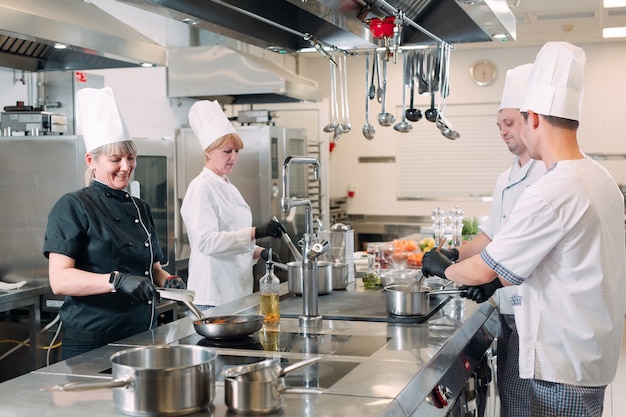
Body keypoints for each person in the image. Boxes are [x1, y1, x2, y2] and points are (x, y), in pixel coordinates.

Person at [423, 41, 626, 417]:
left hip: (561, 363)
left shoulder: (553, 189)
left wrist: (442, 266)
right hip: (586, 353)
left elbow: (484, 266)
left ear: (532, 118)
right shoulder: (599, 177)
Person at [43, 87, 185, 360]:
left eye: (130, 158)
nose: (125, 166)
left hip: (143, 333)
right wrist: (116, 281)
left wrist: (169, 281)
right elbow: (59, 280)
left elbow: (153, 269)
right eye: (115, 159)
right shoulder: (72, 206)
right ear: (91, 161)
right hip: (93, 340)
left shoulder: (140, 208)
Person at [440, 63, 544, 417]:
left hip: (534, 311)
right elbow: (490, 237)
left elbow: (528, 252)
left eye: (509, 122)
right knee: (513, 400)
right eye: (499, 125)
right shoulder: (505, 178)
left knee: (527, 403)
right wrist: (452, 253)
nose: (503, 131)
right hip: (507, 310)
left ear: (531, 119)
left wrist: (473, 276)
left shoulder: (545, 175)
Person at [180, 100, 282, 311]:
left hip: (236, 291)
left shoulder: (228, 186)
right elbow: (207, 242)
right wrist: (256, 231)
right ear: (208, 151)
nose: (234, 158)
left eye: (237, 152)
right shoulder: (201, 188)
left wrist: (260, 252)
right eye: (228, 151)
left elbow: (232, 239)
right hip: (212, 296)